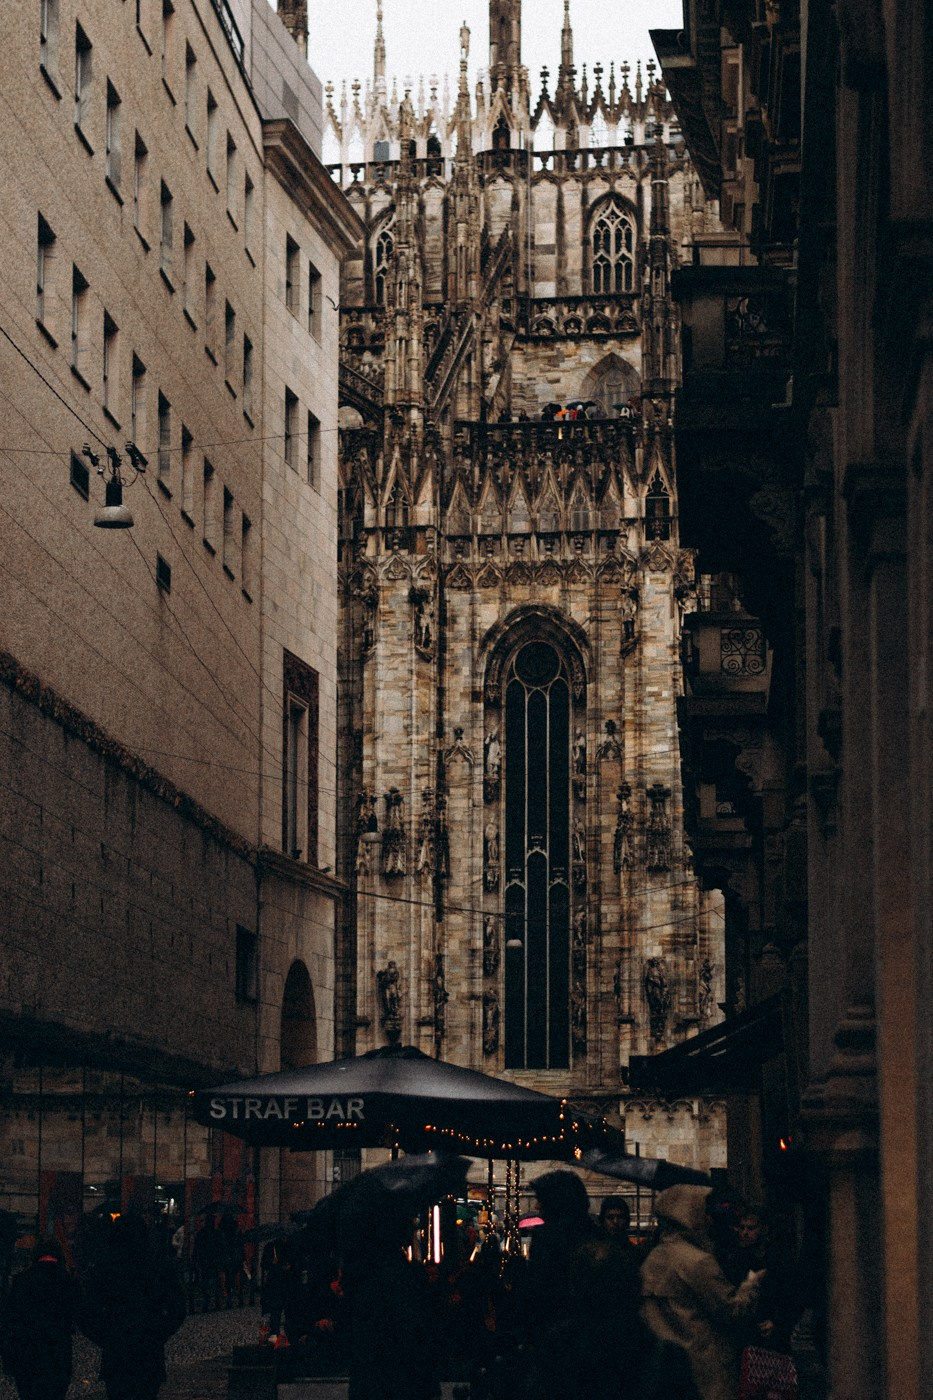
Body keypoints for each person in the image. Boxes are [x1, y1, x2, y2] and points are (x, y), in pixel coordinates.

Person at [640, 1185, 763, 1400]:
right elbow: (730, 1311)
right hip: (703, 1366)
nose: (708, 1218)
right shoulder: (697, 1261)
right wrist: (750, 1286)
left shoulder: (654, 1258)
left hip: (666, 1365)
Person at [79, 1213, 186, 1400]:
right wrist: (159, 1333)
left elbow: (86, 1313)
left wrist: (106, 1337)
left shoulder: (107, 1269)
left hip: (118, 1352)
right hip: (148, 1352)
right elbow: (178, 1308)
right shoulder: (157, 1266)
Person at [0, 1237, 76, 1400]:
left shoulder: (22, 1281)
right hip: (57, 1356)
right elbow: (81, 1315)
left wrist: (8, 1358)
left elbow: (9, 1322)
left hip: (28, 1357)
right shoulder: (67, 1281)